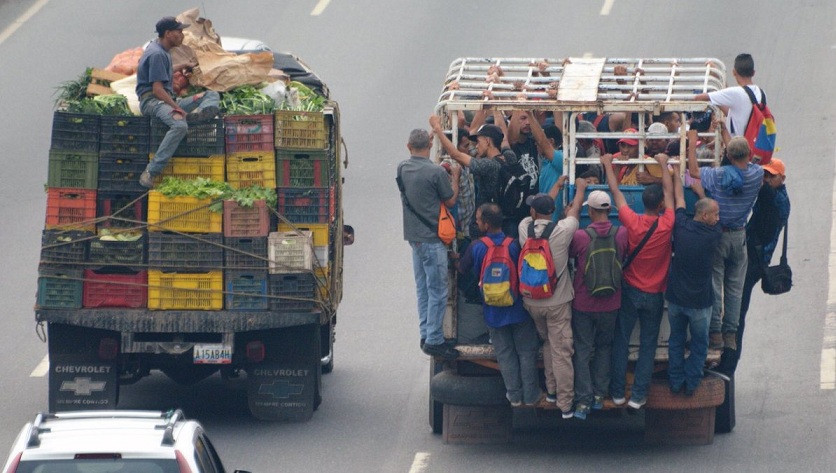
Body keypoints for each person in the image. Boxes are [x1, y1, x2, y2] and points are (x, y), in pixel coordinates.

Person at [602, 152, 675, 409]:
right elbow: (669, 190)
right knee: (648, 345)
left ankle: (618, 392)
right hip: (655, 294)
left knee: (621, 341)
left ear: (642, 202)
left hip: (630, 291)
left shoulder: (631, 221)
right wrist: (664, 164)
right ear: (660, 206)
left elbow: (614, 191)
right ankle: (638, 396)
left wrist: (608, 165)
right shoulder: (667, 223)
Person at [459, 203, 541, 407]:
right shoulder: (514, 244)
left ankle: (514, 396)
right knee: (526, 352)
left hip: (493, 311)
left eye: (478, 220)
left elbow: (462, 269)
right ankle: (531, 396)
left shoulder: (476, 246)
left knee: (505, 354)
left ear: (486, 224)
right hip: (518, 308)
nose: (476, 223)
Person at [687, 132, 763, 350]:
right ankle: (731, 333)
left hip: (718, 234)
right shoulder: (756, 174)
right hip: (739, 235)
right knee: (735, 288)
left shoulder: (718, 175)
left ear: (728, 156)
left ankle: (715, 333)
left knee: (715, 284)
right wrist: (726, 134)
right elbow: (740, 157)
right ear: (749, 154)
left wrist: (692, 144)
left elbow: (693, 172)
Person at [518, 184, 586, 418]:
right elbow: (575, 211)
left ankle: (552, 390)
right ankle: (565, 404)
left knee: (547, 342)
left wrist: (551, 191)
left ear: (534, 213)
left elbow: (538, 212)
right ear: (554, 210)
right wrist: (581, 189)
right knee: (562, 352)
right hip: (557, 302)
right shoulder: (564, 230)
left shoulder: (524, 228)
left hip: (531, 301)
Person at [717, 158, 790, 375]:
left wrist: (749, 167)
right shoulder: (770, 194)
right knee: (731, 308)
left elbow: (762, 190)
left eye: (771, 176)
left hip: (754, 263)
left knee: (736, 313)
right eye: (764, 175)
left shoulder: (778, 199)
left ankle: (728, 365)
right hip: (748, 257)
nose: (766, 179)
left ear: (782, 179)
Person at [136, 16, 221, 188]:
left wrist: (183, 65)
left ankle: (197, 114)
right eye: (179, 31)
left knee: (211, 95)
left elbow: (163, 71)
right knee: (180, 126)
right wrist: (177, 109)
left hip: (166, 100)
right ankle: (150, 171)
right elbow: (157, 90)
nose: (182, 35)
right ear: (168, 33)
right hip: (153, 102)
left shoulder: (161, 50)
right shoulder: (157, 54)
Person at [397, 129, 460, 359]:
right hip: (433, 240)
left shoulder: (402, 169)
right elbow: (450, 199)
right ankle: (434, 339)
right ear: (430, 144)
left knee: (422, 289)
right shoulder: (435, 172)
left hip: (414, 238)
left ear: (408, 146)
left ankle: (425, 333)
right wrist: (455, 176)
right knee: (438, 291)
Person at [568, 190, 628, 419]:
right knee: (604, 347)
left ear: (590, 211)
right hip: (612, 302)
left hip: (583, 303)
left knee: (582, 350)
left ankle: (582, 400)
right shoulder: (621, 233)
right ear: (609, 210)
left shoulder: (581, 237)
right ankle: (598, 395)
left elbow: (571, 255)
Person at [665, 171, 722, 396]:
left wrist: (675, 175)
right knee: (699, 345)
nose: (718, 218)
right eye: (715, 214)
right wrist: (700, 191)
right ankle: (692, 383)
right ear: (706, 215)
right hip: (699, 303)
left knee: (676, 341)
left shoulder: (680, 226)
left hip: (676, 300)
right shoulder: (713, 235)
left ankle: (676, 381)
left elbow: (679, 200)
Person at [693, 53, 763, 138]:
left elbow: (699, 97)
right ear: (753, 73)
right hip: (757, 146)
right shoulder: (761, 93)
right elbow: (732, 110)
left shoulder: (735, 93)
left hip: (739, 148)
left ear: (734, 72)